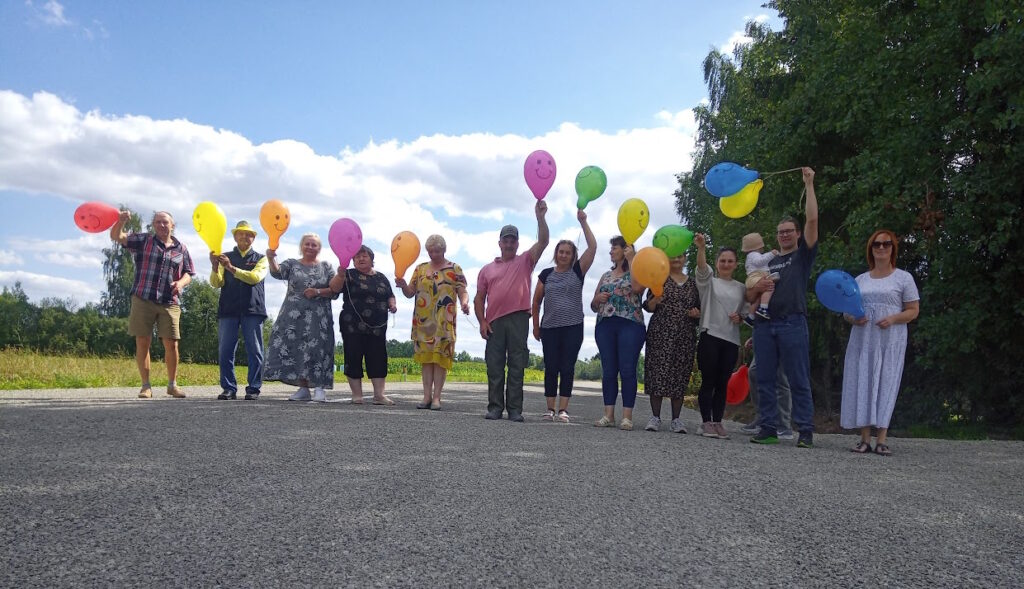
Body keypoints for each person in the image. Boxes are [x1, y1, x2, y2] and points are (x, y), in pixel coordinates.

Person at [746, 166, 819, 447]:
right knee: (764, 378)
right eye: (780, 232)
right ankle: (768, 428)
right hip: (765, 325)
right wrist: (757, 289)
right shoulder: (768, 262)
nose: (784, 235)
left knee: (798, 378)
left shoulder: (802, 257)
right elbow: (749, 298)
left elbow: (812, 220)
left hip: (792, 323)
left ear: (798, 235)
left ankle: (806, 432)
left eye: (789, 231)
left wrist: (809, 185)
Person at [841, 230, 920, 456]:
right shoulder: (860, 280)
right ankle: (865, 438)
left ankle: (882, 439)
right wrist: (854, 318)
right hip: (863, 339)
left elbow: (913, 310)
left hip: (890, 340)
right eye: (877, 244)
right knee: (863, 382)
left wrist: (894, 318)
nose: (881, 248)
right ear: (871, 248)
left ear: (893, 248)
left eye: (886, 244)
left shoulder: (903, 278)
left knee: (886, 382)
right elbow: (847, 311)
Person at [475, 200, 549, 422]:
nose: (509, 244)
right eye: (505, 240)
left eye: (512, 240)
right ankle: (495, 407)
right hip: (494, 321)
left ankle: (515, 409)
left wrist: (540, 217)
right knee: (494, 365)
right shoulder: (487, 269)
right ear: (499, 243)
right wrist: (482, 321)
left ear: (517, 244)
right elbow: (480, 298)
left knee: (517, 365)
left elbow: (544, 241)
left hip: (518, 318)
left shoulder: (526, 260)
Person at [109, 210, 195, 399]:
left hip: (169, 301)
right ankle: (145, 386)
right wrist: (120, 221)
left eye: (165, 222)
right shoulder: (144, 241)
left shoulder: (181, 248)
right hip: (143, 298)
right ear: (153, 225)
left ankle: (172, 385)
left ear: (172, 225)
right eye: (157, 222)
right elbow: (117, 236)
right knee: (142, 341)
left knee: (172, 344)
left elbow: (189, 273)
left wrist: (180, 283)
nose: (161, 225)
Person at [531, 209, 597, 423]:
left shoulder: (578, 271)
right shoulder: (546, 274)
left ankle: (563, 410)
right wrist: (535, 326)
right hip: (549, 327)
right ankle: (550, 408)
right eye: (561, 251)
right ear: (556, 253)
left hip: (573, 327)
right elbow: (536, 301)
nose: (564, 255)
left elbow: (593, 247)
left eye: (568, 252)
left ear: (573, 255)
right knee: (550, 367)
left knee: (567, 367)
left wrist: (583, 222)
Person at [395, 235, 470, 410]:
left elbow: (462, 291)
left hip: (445, 322)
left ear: (444, 250)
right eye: (430, 251)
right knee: (427, 361)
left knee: (440, 359)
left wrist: (465, 303)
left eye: (437, 251)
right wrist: (404, 285)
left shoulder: (454, 268)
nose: (433, 254)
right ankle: (426, 397)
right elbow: (410, 293)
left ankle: (437, 398)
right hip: (423, 322)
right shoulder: (420, 269)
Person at [264, 233, 338, 402]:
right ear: (301, 246)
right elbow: (276, 272)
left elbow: (335, 291)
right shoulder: (292, 264)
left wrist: (317, 292)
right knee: (296, 349)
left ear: (319, 248)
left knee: (317, 350)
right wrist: (270, 258)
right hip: (292, 317)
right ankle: (303, 388)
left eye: (314, 245)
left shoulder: (326, 267)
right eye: (307, 244)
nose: (310, 247)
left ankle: (320, 388)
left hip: (319, 318)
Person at [328, 245, 398, 405]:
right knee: (353, 356)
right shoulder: (349, 274)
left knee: (378, 358)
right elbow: (334, 288)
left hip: (378, 327)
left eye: (364, 256)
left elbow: (390, 295)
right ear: (352, 260)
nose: (360, 259)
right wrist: (339, 274)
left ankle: (379, 395)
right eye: (356, 257)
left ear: (371, 259)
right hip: (352, 325)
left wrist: (392, 304)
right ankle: (356, 395)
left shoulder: (381, 277)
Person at [693, 233, 747, 438]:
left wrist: (739, 318)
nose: (726, 264)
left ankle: (718, 421)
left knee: (722, 383)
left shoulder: (742, 288)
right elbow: (701, 268)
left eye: (730, 261)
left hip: (731, 340)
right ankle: (705, 422)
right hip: (710, 335)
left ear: (736, 264)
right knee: (709, 381)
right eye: (722, 260)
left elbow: (746, 313)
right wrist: (701, 248)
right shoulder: (709, 283)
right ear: (716, 263)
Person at [641, 249, 700, 433]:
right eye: (673, 256)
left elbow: (699, 308)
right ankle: (655, 417)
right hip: (660, 332)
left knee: (680, 374)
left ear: (685, 259)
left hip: (685, 334)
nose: (676, 259)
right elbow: (647, 306)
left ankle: (676, 420)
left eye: (680, 256)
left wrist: (695, 313)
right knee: (657, 372)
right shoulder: (659, 279)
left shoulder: (693, 283)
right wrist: (655, 301)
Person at [591, 236, 646, 430]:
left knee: (628, 369)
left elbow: (638, 288)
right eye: (611, 248)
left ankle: (627, 417)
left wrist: (633, 260)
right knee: (609, 370)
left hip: (630, 324)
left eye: (615, 248)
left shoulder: (637, 271)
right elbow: (592, 305)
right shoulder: (606, 275)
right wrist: (598, 298)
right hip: (605, 324)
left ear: (626, 249)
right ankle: (608, 415)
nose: (611, 251)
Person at [209, 220, 268, 400]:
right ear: (234, 237)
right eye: (240, 233)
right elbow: (216, 283)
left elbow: (255, 278)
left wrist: (230, 268)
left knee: (255, 350)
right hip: (229, 308)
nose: (244, 236)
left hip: (253, 309)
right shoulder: (224, 256)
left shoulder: (261, 258)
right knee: (225, 350)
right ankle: (229, 388)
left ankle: (254, 388)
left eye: (248, 234)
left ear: (253, 238)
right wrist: (214, 266)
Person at [739, 338, 795, 440]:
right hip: (765, 332)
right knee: (754, 371)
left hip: (784, 332)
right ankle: (763, 419)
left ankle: (783, 425)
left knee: (781, 378)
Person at [741, 232, 779, 322]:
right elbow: (760, 261)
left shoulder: (750, 256)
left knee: (759, 297)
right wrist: (771, 254)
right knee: (769, 288)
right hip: (756, 277)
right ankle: (763, 308)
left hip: (753, 278)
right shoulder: (754, 254)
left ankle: (750, 316)